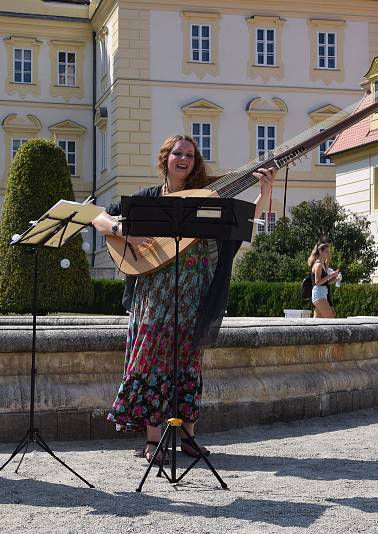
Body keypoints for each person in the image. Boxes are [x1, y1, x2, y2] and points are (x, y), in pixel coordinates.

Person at [93, 134, 276, 464]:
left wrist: (265, 191)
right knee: (149, 363)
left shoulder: (205, 201)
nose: (184, 159)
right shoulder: (147, 198)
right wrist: (123, 229)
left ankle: (189, 437)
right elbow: (97, 217)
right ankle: (153, 441)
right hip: (152, 296)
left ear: (195, 163)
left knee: (188, 364)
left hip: (193, 295)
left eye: (190, 155)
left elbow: (242, 226)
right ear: (165, 157)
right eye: (178, 153)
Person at [308, 241, 339, 318]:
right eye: (327, 251)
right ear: (320, 252)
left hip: (322, 294)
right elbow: (317, 282)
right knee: (331, 318)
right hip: (319, 295)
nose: (328, 253)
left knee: (318, 322)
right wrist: (331, 275)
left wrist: (335, 279)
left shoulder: (323, 265)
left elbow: (325, 283)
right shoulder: (318, 265)